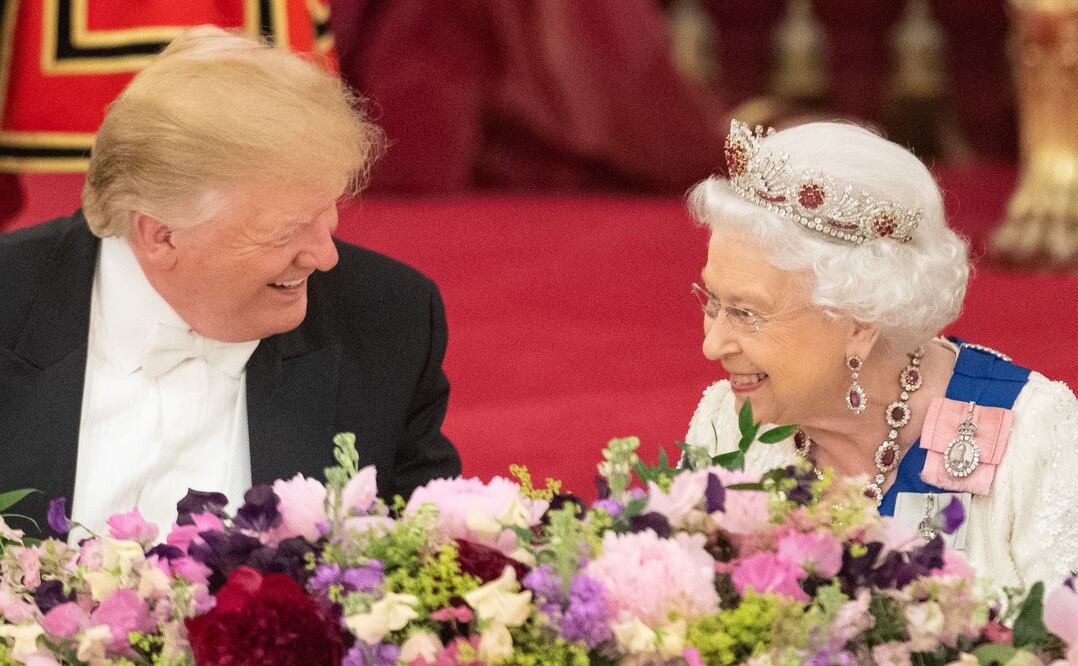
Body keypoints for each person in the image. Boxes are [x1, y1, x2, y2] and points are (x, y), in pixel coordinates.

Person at [0, 26, 460, 535]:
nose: (324, 257)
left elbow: (425, 554)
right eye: (286, 231)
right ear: (161, 236)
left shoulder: (387, 320)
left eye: (326, 213)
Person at [683, 119, 1078, 588]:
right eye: (712, 302)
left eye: (746, 313)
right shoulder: (727, 423)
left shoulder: (1030, 433)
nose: (712, 344)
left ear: (859, 322)